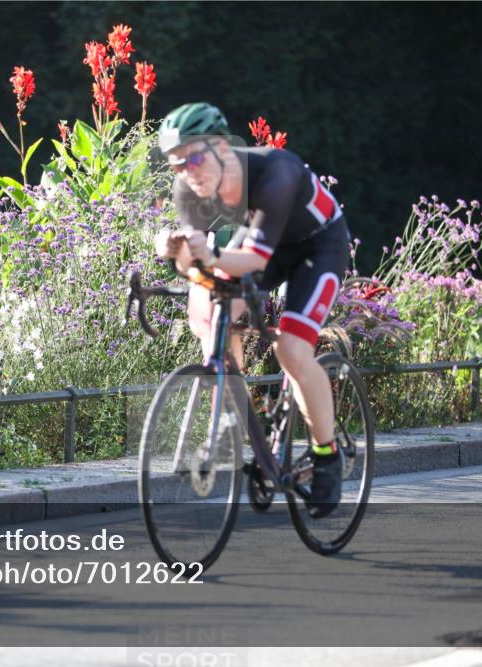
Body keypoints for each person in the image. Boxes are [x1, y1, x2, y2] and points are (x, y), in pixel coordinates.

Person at [154, 102, 350, 518]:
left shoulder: (275, 173)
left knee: (292, 351)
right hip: (266, 242)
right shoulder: (189, 187)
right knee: (211, 316)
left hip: (318, 245)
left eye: (194, 157)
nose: (187, 171)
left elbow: (253, 262)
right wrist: (176, 255)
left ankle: (326, 454)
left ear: (222, 147)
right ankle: (231, 422)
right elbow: (198, 269)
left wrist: (210, 254)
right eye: (176, 164)